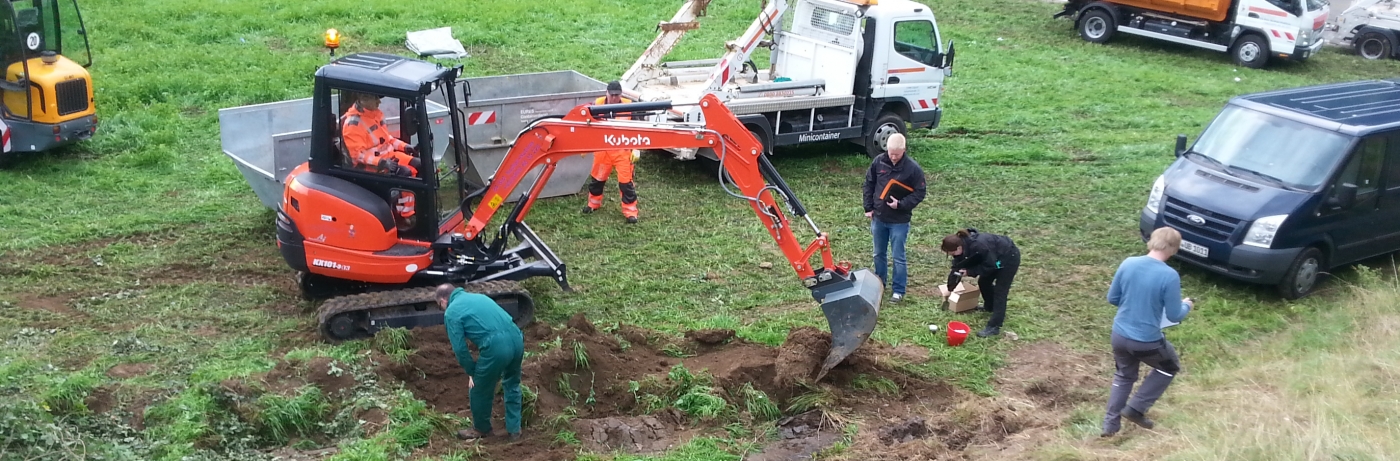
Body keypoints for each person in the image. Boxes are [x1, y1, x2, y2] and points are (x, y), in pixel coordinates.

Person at [1101, 227, 1194, 437]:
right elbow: (1174, 314)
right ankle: (1136, 408)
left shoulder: (1129, 263)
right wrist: (1186, 305)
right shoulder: (1169, 275)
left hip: (1119, 335)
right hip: (1146, 341)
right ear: (1173, 249)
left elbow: (1112, 298)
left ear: (1151, 242)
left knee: (1124, 376)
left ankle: (1110, 426)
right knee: (1168, 367)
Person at [436, 284, 524, 441]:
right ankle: (514, 429)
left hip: (497, 346)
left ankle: (481, 429)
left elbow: (460, 349)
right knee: (512, 383)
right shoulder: (479, 296)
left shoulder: (451, 312)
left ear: (443, 300)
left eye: (440, 306)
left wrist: (471, 371)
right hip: (517, 337)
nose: (442, 309)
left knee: (478, 389)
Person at [862, 132, 926, 303]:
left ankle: (898, 290)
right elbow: (869, 183)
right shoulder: (879, 162)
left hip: (899, 221)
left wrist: (901, 204)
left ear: (904, 150)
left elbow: (920, 193)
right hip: (879, 217)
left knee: (898, 256)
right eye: (890, 153)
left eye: (896, 154)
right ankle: (880, 283)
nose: (893, 157)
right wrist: (868, 207)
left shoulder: (913, 169)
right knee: (878, 253)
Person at [940, 228, 1021, 337]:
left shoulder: (979, 246)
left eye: (953, 253)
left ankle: (994, 326)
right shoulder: (962, 248)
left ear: (959, 247)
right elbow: (956, 268)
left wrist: (970, 271)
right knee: (984, 282)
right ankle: (989, 307)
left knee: (1000, 291)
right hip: (993, 258)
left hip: (1008, 257)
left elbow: (990, 266)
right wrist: (950, 289)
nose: (952, 255)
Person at [582, 80, 640, 223]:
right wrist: (585, 145)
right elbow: (586, 126)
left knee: (626, 183)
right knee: (597, 180)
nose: (615, 98)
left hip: (622, 151)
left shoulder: (630, 107)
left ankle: (630, 212)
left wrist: (637, 148)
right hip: (603, 151)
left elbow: (639, 128)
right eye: (612, 94)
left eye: (617, 95)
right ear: (606, 93)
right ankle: (593, 204)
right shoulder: (596, 105)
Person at [342, 92, 420, 177]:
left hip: (389, 157)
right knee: (405, 173)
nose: (379, 102)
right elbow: (358, 155)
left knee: (420, 164)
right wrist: (382, 162)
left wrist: (406, 147)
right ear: (363, 99)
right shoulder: (353, 124)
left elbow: (388, 139)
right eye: (375, 98)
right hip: (370, 166)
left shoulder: (377, 115)